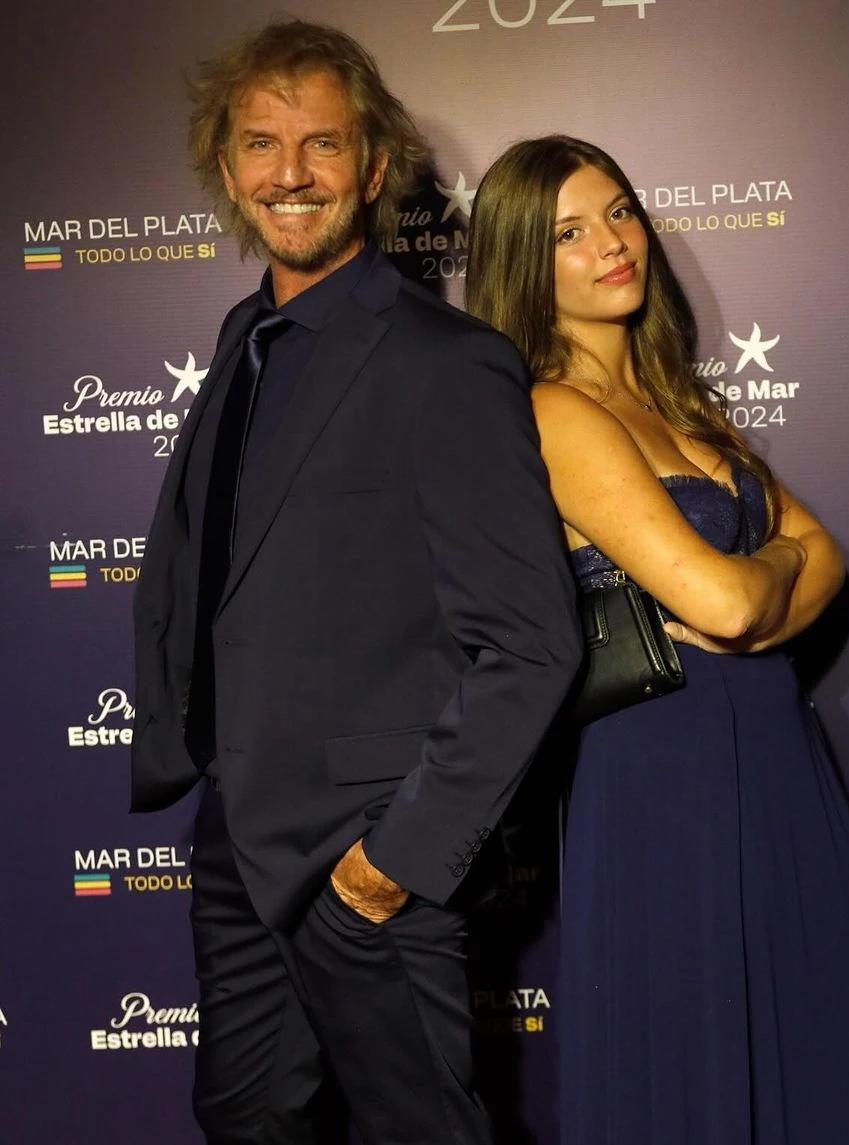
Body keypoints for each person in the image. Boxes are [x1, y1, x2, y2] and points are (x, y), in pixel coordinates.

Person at [130, 24, 581, 1145]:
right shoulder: (245, 337)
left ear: (373, 167)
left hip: (362, 860)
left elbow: (532, 643)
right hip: (239, 842)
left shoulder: (444, 359)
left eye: (322, 143)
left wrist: (394, 863)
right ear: (227, 168)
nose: (291, 173)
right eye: (262, 144)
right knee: (243, 1123)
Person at [466, 136, 849, 1145]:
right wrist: (772, 574)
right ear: (525, 263)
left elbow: (820, 559)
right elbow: (729, 607)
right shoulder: (555, 411)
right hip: (662, 784)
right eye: (570, 231)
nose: (612, 244)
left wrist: (767, 571)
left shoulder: (682, 405)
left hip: (780, 767)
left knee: (832, 1057)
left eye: (620, 212)